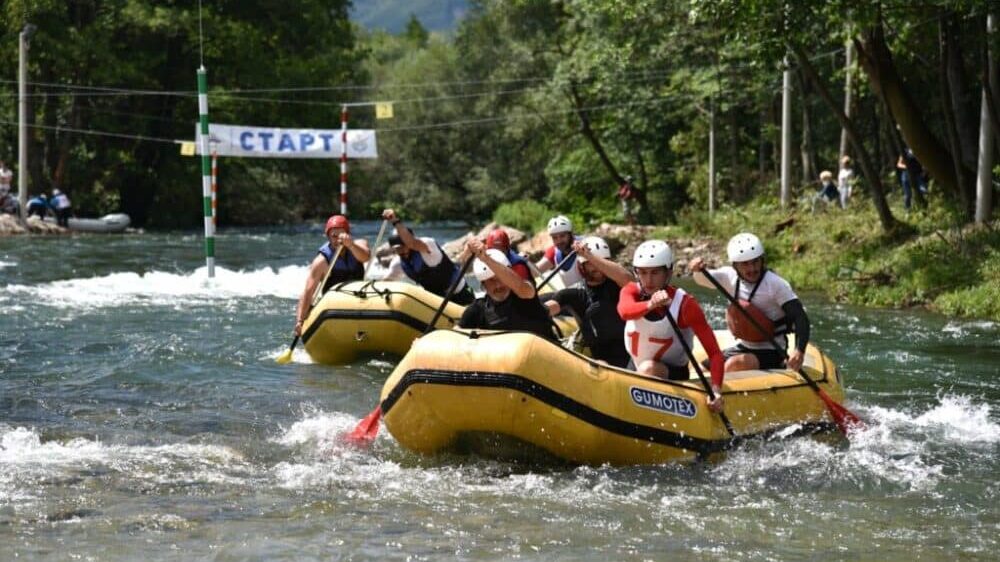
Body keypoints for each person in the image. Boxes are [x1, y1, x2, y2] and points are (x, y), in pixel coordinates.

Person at [617, 240, 725, 412]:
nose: (648, 280)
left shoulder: (685, 305)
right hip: (635, 367)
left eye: (655, 273)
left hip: (673, 373)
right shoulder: (630, 291)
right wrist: (651, 304)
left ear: (668, 273)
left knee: (648, 368)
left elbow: (714, 353)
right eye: (643, 273)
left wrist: (716, 390)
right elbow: (624, 312)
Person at [689, 232, 811, 373]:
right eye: (745, 264)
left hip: (773, 351)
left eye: (755, 262)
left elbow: (800, 317)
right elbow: (702, 279)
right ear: (735, 265)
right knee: (699, 370)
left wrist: (799, 351)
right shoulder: (729, 277)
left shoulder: (775, 284)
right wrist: (697, 270)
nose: (752, 269)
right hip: (745, 346)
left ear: (762, 260)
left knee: (734, 365)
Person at [544, 236, 633, 368]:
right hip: (604, 362)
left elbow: (629, 279)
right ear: (581, 266)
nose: (598, 267)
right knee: (600, 365)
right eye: (590, 263)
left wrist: (590, 257)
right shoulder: (574, 293)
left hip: (631, 356)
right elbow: (550, 307)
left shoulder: (618, 283)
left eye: (603, 261)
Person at [459, 240, 556, 342]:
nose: (498, 285)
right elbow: (455, 337)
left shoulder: (524, 294)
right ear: (483, 285)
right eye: (491, 281)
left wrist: (486, 259)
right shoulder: (478, 309)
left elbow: (521, 287)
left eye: (500, 278)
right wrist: (465, 256)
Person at [293, 215, 371, 336]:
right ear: (328, 236)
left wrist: (350, 245)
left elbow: (365, 257)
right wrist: (300, 321)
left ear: (348, 234)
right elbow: (308, 291)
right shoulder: (321, 261)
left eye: (341, 235)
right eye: (334, 236)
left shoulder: (359, 244)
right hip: (335, 305)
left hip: (358, 298)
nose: (338, 240)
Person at [380, 208, 474, 305]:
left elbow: (412, 243)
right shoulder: (398, 263)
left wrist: (395, 221)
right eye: (397, 249)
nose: (401, 251)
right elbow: (387, 281)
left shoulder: (427, 246)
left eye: (403, 246)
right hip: (437, 300)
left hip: (459, 292)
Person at [534, 215, 584, 288]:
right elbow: (536, 272)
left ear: (571, 234)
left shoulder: (585, 244)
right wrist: (524, 262)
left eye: (562, 236)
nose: (559, 241)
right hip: (572, 295)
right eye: (555, 237)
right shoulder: (554, 251)